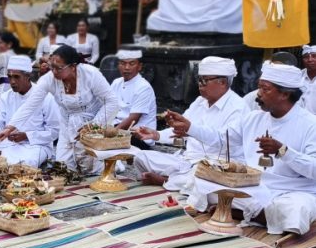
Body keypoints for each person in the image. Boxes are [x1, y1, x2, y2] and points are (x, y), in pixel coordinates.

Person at [178, 62, 316, 235]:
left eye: (265, 89)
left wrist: (283, 151)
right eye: (259, 87)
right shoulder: (253, 118)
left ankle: (240, 213)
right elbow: (221, 139)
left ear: (285, 94)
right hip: (256, 185)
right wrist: (189, 127)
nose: (258, 94)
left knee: (294, 210)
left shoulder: (310, 125)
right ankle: (255, 215)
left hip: (293, 191)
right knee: (204, 184)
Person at [0, 45, 119, 173]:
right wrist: (9, 128)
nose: (54, 72)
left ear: (73, 67)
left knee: (92, 168)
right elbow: (29, 105)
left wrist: (93, 126)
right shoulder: (49, 79)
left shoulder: (91, 74)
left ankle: (108, 169)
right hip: (67, 122)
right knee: (64, 167)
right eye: (52, 67)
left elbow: (113, 102)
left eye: (59, 68)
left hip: (94, 121)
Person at [132, 56, 247, 189]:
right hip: (188, 161)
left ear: (222, 82)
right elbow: (181, 129)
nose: (200, 84)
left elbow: (223, 139)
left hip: (219, 166)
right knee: (141, 157)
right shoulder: (199, 102)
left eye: (205, 80)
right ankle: (175, 181)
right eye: (199, 79)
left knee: (205, 179)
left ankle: (166, 181)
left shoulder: (238, 107)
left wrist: (190, 129)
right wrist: (156, 135)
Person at [0, 55, 60, 166]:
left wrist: (27, 136)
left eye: (16, 77)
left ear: (28, 76)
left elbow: (54, 131)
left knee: (26, 163)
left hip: (35, 145)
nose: (12, 81)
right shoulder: (5, 96)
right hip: (7, 143)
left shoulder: (46, 97)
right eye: (9, 76)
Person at [110, 50, 157, 149]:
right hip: (118, 129)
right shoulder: (116, 83)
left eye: (131, 63)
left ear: (139, 66)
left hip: (139, 136)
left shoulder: (143, 87)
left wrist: (112, 133)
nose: (127, 68)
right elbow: (109, 108)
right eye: (123, 63)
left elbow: (133, 119)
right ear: (118, 65)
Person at [301, 45, 316, 115]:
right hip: (298, 120)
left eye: (314, 56)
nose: (310, 59)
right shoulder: (297, 77)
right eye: (306, 57)